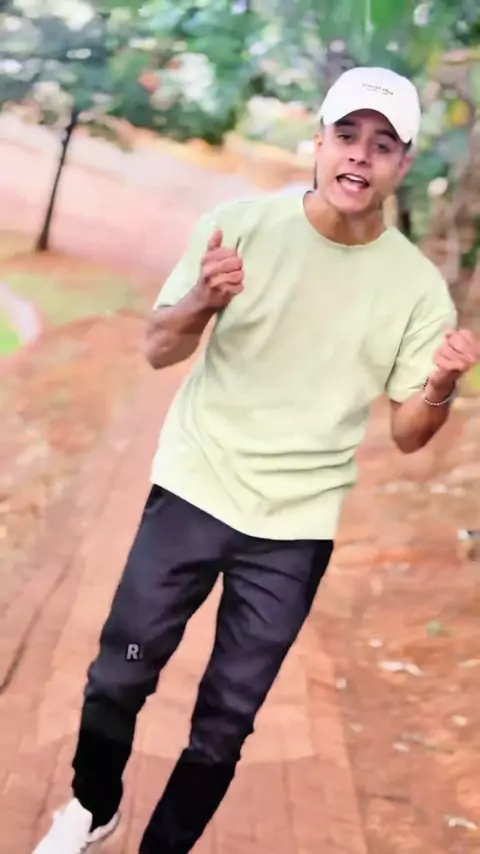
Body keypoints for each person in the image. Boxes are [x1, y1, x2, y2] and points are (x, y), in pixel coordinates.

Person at [33, 66, 480, 854]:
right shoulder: (239, 227)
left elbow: (411, 433)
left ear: (403, 165)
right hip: (195, 489)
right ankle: (93, 805)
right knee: (121, 672)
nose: (359, 155)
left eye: (382, 145)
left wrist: (440, 384)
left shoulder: (415, 290)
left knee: (226, 722)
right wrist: (202, 301)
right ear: (319, 141)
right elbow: (158, 348)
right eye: (346, 135)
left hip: (294, 531)